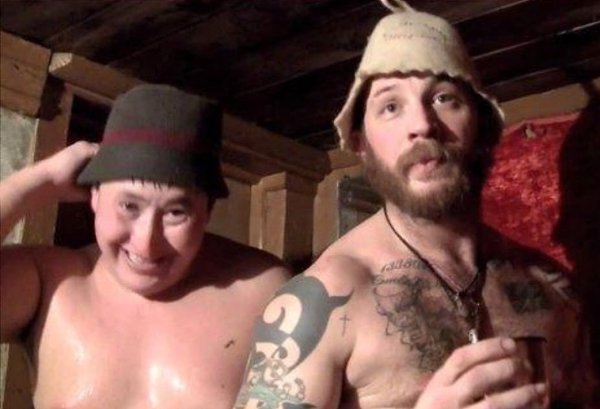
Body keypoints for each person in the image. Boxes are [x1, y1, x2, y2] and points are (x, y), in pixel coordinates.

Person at [234, 1, 598, 408]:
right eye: (391, 106)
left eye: (444, 98)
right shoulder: (321, 303)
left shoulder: (553, 288)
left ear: (481, 126)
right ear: (361, 144)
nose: (422, 125)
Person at [0, 84, 290, 408]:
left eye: (175, 212)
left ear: (207, 212)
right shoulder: (49, 284)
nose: (146, 243)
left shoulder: (262, 290)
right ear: (94, 194)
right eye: (129, 206)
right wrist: (36, 183)